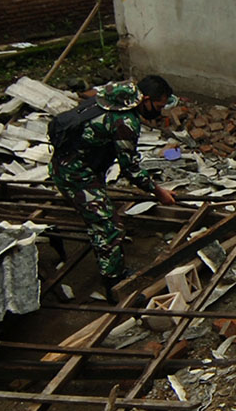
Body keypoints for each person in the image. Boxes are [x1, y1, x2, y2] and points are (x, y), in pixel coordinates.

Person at [49, 75, 177, 300]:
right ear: (145, 99)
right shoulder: (125, 122)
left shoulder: (116, 94)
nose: (159, 111)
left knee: (101, 213)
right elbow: (129, 168)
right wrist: (159, 192)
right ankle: (114, 283)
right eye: (158, 106)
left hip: (76, 164)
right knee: (109, 227)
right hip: (75, 174)